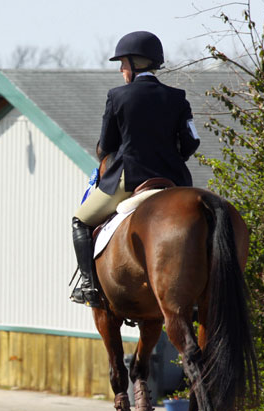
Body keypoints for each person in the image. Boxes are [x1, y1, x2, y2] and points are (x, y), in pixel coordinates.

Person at [70, 31, 201, 308]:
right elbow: (191, 142)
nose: (120, 70)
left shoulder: (118, 96)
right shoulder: (178, 97)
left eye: (123, 64)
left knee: (80, 221)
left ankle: (89, 287)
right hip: (175, 180)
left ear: (135, 63)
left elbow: (107, 145)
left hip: (129, 178)